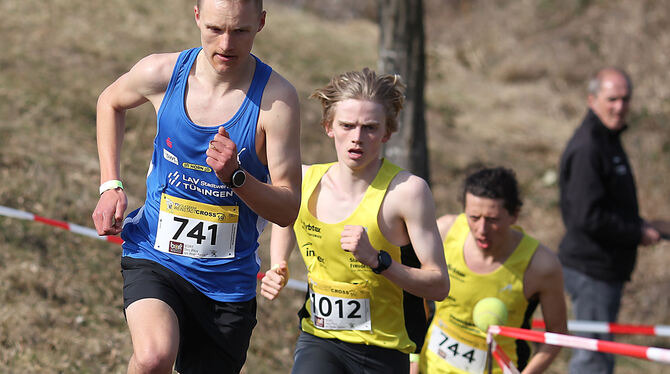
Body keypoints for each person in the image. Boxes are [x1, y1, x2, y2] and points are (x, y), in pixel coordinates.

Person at [91, 0, 302, 373]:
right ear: (197, 17)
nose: (226, 44)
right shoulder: (162, 72)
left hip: (227, 284)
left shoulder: (276, 103)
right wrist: (111, 184)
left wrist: (237, 176)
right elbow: (110, 101)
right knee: (154, 356)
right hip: (157, 254)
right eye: (215, 29)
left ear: (261, 23)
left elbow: (287, 210)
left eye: (240, 31)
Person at [260, 68, 450, 374]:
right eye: (347, 125)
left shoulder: (407, 192)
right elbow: (288, 217)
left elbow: (439, 285)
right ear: (328, 126)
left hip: (383, 350)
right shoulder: (305, 179)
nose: (357, 138)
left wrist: (379, 261)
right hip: (320, 338)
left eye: (370, 128)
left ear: (387, 133)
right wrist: (279, 263)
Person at [414, 167, 567, 374]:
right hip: (431, 367)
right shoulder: (445, 231)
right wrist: (412, 358)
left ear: (514, 215)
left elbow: (557, 334)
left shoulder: (541, 265)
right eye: (474, 217)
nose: (481, 230)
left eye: (493, 220)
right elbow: (411, 297)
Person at [558, 67, 661, 374]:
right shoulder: (589, 145)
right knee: (593, 358)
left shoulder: (608, 138)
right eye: (612, 98)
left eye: (625, 99)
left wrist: (646, 225)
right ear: (593, 100)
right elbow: (586, 217)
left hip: (605, 270)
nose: (619, 106)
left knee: (600, 356)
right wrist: (636, 232)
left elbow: (607, 206)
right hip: (591, 271)